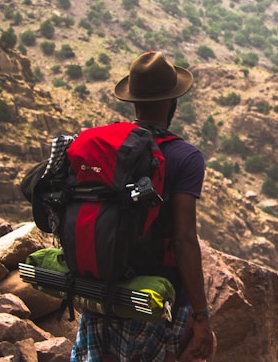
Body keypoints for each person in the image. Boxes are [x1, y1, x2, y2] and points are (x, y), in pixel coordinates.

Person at [70, 51, 215, 362]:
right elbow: (184, 239)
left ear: (133, 101)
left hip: (101, 287)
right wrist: (202, 317)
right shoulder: (186, 157)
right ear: (172, 102)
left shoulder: (106, 149)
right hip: (157, 297)